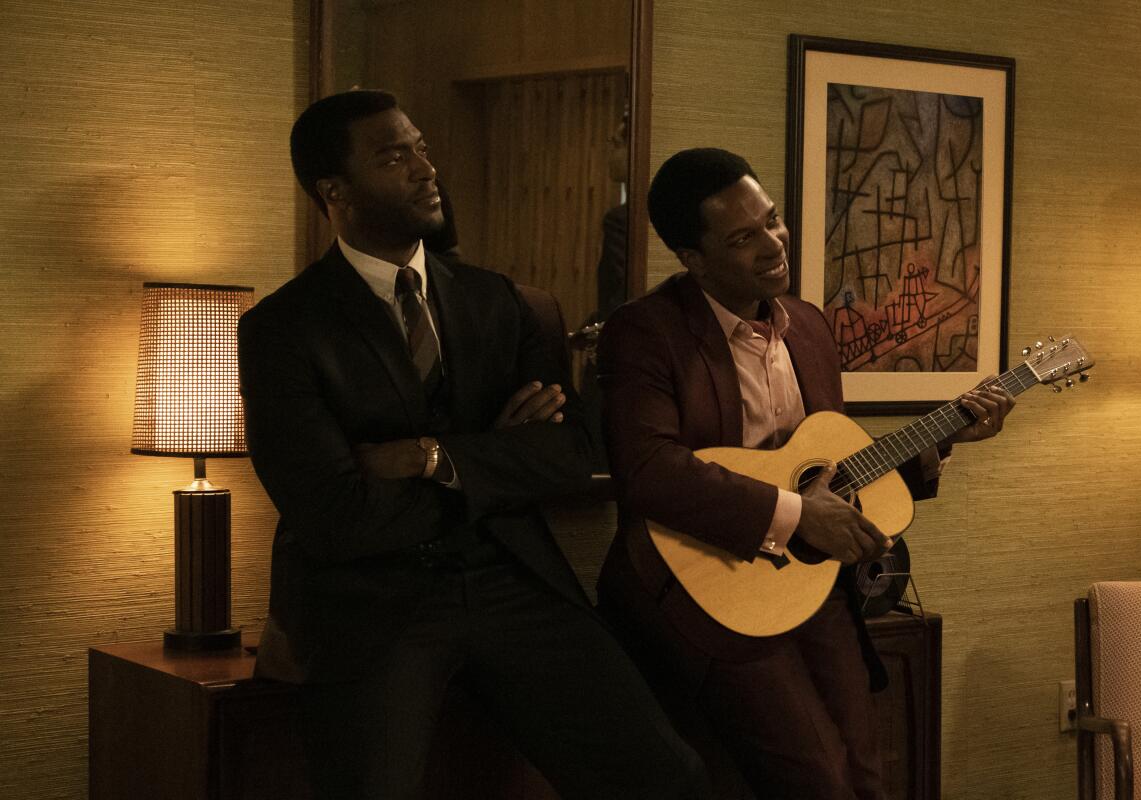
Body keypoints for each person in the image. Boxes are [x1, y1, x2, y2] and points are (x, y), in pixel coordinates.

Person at [238, 90, 705, 800]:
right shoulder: (283, 329)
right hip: (374, 603)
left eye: (422, 147)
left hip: (510, 578)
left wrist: (434, 458)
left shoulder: (499, 302)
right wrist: (496, 458)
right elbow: (334, 514)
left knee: (667, 776)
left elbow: (569, 452)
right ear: (334, 190)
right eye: (395, 156)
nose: (426, 168)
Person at [595, 147, 1014, 799]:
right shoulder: (646, 333)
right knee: (816, 779)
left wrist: (942, 442)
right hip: (705, 590)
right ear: (693, 259)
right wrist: (794, 513)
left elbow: (831, 474)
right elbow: (647, 471)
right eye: (743, 237)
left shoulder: (811, 329)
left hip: (810, 587)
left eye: (773, 220)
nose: (773, 245)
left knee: (868, 774)